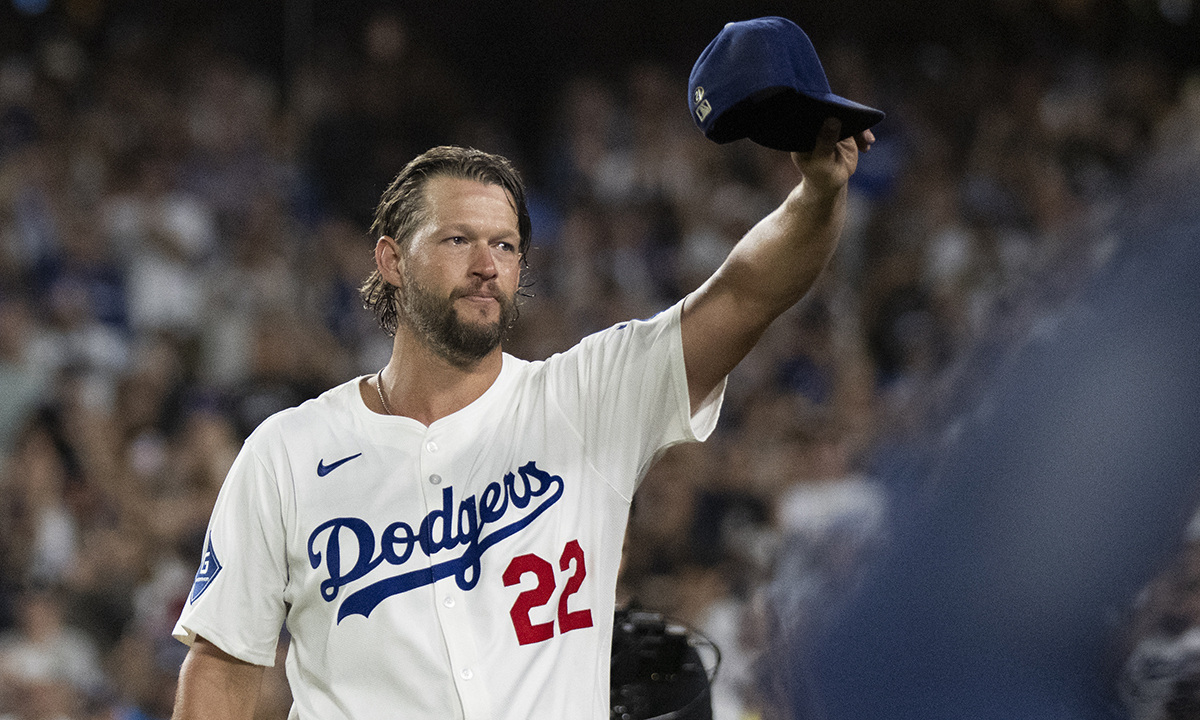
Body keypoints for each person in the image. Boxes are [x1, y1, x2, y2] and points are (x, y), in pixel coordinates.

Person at [168, 117, 873, 719]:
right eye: (458, 240)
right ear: (392, 260)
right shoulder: (288, 453)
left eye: (505, 245)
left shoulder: (586, 399)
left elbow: (747, 293)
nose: (487, 265)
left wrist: (818, 192)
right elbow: (222, 670)